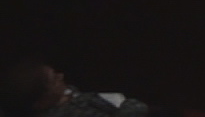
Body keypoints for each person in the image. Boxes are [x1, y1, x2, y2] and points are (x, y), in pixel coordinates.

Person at [0, 57, 156, 116]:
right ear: (41, 102)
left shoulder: (62, 95)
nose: (61, 76)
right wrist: (132, 106)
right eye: (54, 80)